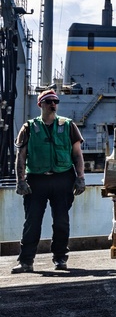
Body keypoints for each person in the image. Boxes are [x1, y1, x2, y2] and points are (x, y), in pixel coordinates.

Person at [11, 89, 86, 273]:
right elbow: (20, 156)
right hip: (36, 180)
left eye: (55, 101)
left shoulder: (68, 126)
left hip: (63, 179)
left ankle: (60, 258)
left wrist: (80, 178)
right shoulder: (28, 127)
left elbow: (77, 154)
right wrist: (20, 180)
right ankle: (26, 261)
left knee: (61, 221)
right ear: (40, 105)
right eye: (48, 101)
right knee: (32, 221)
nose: (53, 104)